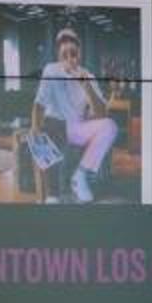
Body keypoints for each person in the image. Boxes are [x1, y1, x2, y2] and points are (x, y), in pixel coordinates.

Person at [28, 26, 118, 203]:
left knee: (110, 126)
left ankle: (80, 176)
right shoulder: (51, 70)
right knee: (48, 128)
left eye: (73, 54)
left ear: (80, 53)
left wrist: (87, 87)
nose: (70, 58)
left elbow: (102, 114)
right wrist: (35, 127)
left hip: (76, 127)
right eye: (65, 54)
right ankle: (52, 195)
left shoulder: (88, 76)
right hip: (54, 123)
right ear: (59, 55)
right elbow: (39, 103)